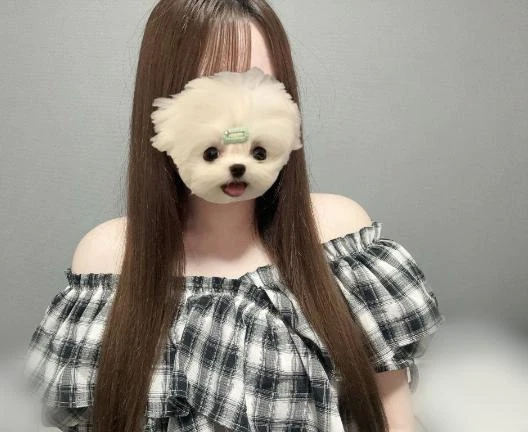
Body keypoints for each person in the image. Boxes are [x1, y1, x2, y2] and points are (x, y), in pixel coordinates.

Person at [22, 1, 446, 431]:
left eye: (257, 81)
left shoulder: (341, 239)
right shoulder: (107, 262)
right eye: (210, 85)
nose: (235, 110)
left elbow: (392, 414)